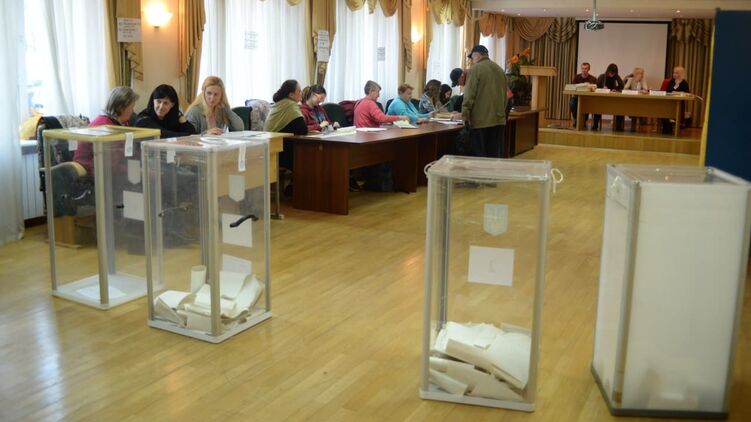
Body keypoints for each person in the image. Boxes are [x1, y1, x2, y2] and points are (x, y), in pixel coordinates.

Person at [73, 86, 138, 175]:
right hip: (89, 174)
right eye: (132, 107)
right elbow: (110, 166)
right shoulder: (105, 127)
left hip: (104, 172)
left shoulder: (119, 123)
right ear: (121, 107)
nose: (133, 111)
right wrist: (138, 171)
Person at [462, 45, 507, 158]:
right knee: (494, 155)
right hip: (498, 119)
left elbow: (469, 94)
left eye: (472, 58)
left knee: (480, 156)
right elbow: (505, 97)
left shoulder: (475, 69)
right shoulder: (500, 70)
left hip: (480, 121)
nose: (472, 61)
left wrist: (465, 114)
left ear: (477, 55)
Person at [593, 63, 625, 131]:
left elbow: (622, 86)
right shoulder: (602, 76)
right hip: (602, 100)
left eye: (614, 73)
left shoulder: (616, 77)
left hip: (613, 100)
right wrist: (603, 88)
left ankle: (618, 127)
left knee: (620, 108)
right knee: (597, 107)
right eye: (611, 73)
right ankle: (595, 125)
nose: (612, 74)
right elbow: (596, 87)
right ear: (608, 71)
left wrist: (615, 89)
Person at [661, 66, 690, 134]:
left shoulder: (684, 83)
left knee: (668, 113)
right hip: (668, 102)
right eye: (674, 72)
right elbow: (667, 90)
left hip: (677, 104)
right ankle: (667, 130)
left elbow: (687, 93)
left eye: (676, 73)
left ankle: (669, 130)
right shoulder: (672, 81)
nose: (674, 74)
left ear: (680, 74)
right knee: (662, 112)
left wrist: (679, 93)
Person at [569, 62, 597, 127]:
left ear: (589, 69)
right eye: (582, 68)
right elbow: (572, 87)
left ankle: (584, 120)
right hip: (577, 97)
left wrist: (590, 86)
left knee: (589, 104)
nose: (584, 70)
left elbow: (595, 89)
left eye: (586, 68)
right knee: (572, 103)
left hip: (588, 98)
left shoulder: (592, 78)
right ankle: (576, 119)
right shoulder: (576, 77)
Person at [623, 67, 650, 132]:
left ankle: (641, 123)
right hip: (631, 101)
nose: (640, 75)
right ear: (635, 74)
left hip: (641, 101)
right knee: (634, 109)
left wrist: (641, 82)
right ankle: (633, 127)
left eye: (641, 73)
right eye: (638, 73)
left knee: (639, 108)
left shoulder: (643, 80)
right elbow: (625, 88)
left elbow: (646, 89)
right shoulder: (630, 79)